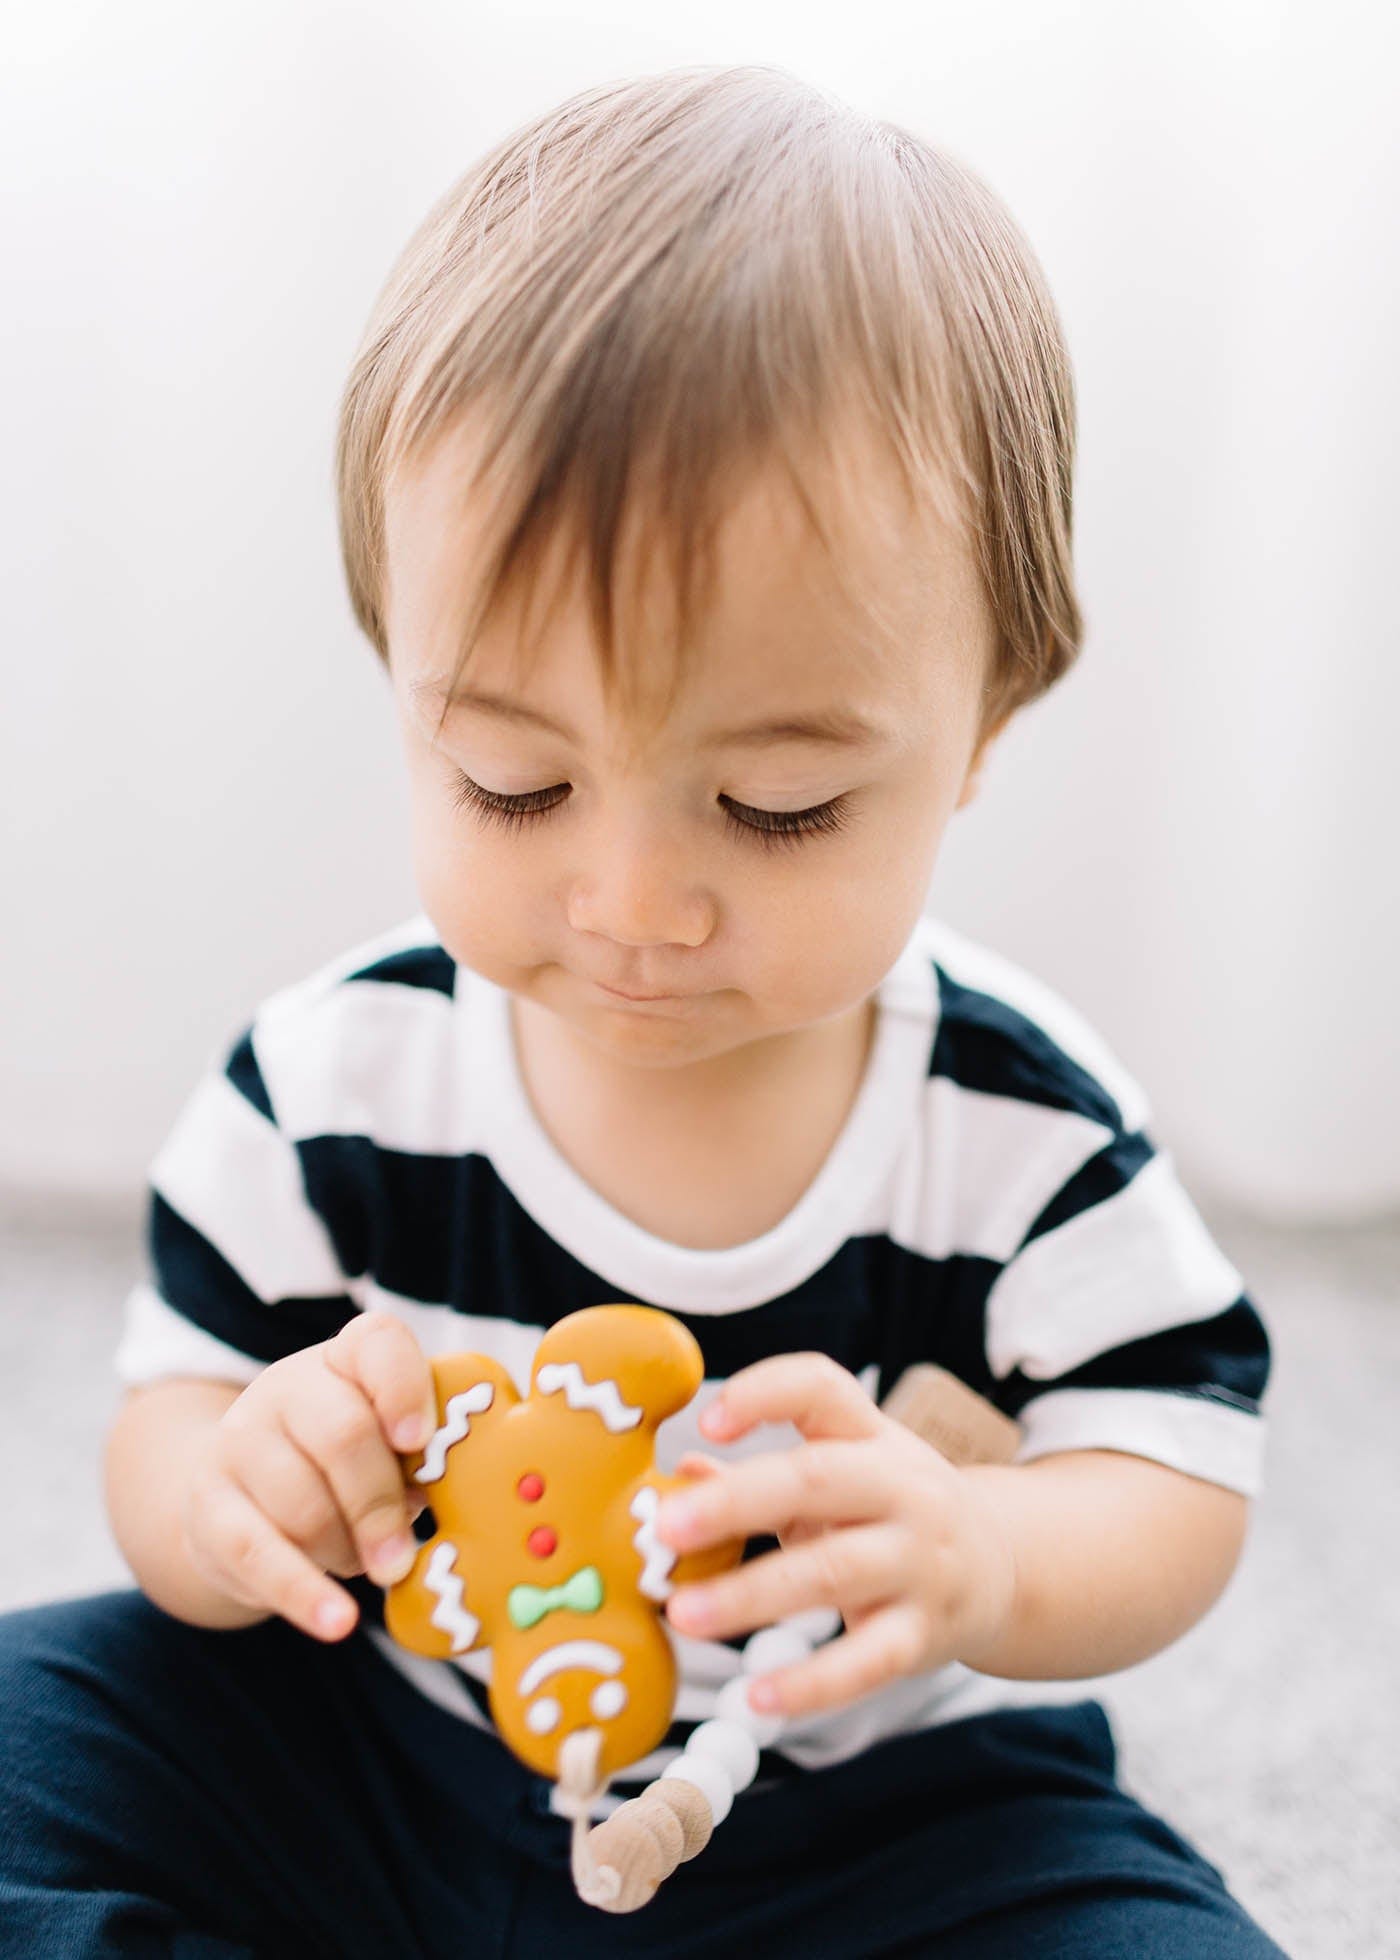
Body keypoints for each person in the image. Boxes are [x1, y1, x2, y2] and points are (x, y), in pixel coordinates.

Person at [0, 63, 1289, 1958]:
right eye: (516, 783)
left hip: (858, 1806)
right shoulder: (330, 1079)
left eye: (776, 808)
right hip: (369, 1742)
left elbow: (1173, 1457)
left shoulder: (1022, 1126)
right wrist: (230, 1494)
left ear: (984, 733)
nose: (631, 908)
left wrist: (989, 1552)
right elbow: (170, 1413)